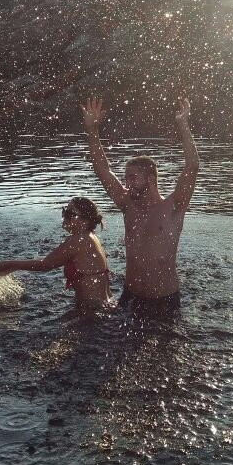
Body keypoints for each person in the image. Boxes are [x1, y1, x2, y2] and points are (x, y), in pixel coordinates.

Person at [81, 96, 199, 316]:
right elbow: (103, 171)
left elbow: (192, 166)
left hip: (164, 301)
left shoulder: (174, 207)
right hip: (130, 298)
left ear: (151, 179)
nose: (127, 184)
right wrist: (92, 130)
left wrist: (183, 124)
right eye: (126, 178)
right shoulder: (128, 205)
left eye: (133, 178)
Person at [0, 197, 111, 309]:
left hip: (92, 311)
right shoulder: (90, 237)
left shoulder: (78, 240)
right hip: (102, 306)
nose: (64, 217)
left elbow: (45, 265)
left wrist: (12, 265)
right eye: (64, 212)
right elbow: (51, 259)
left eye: (69, 214)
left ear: (85, 221)